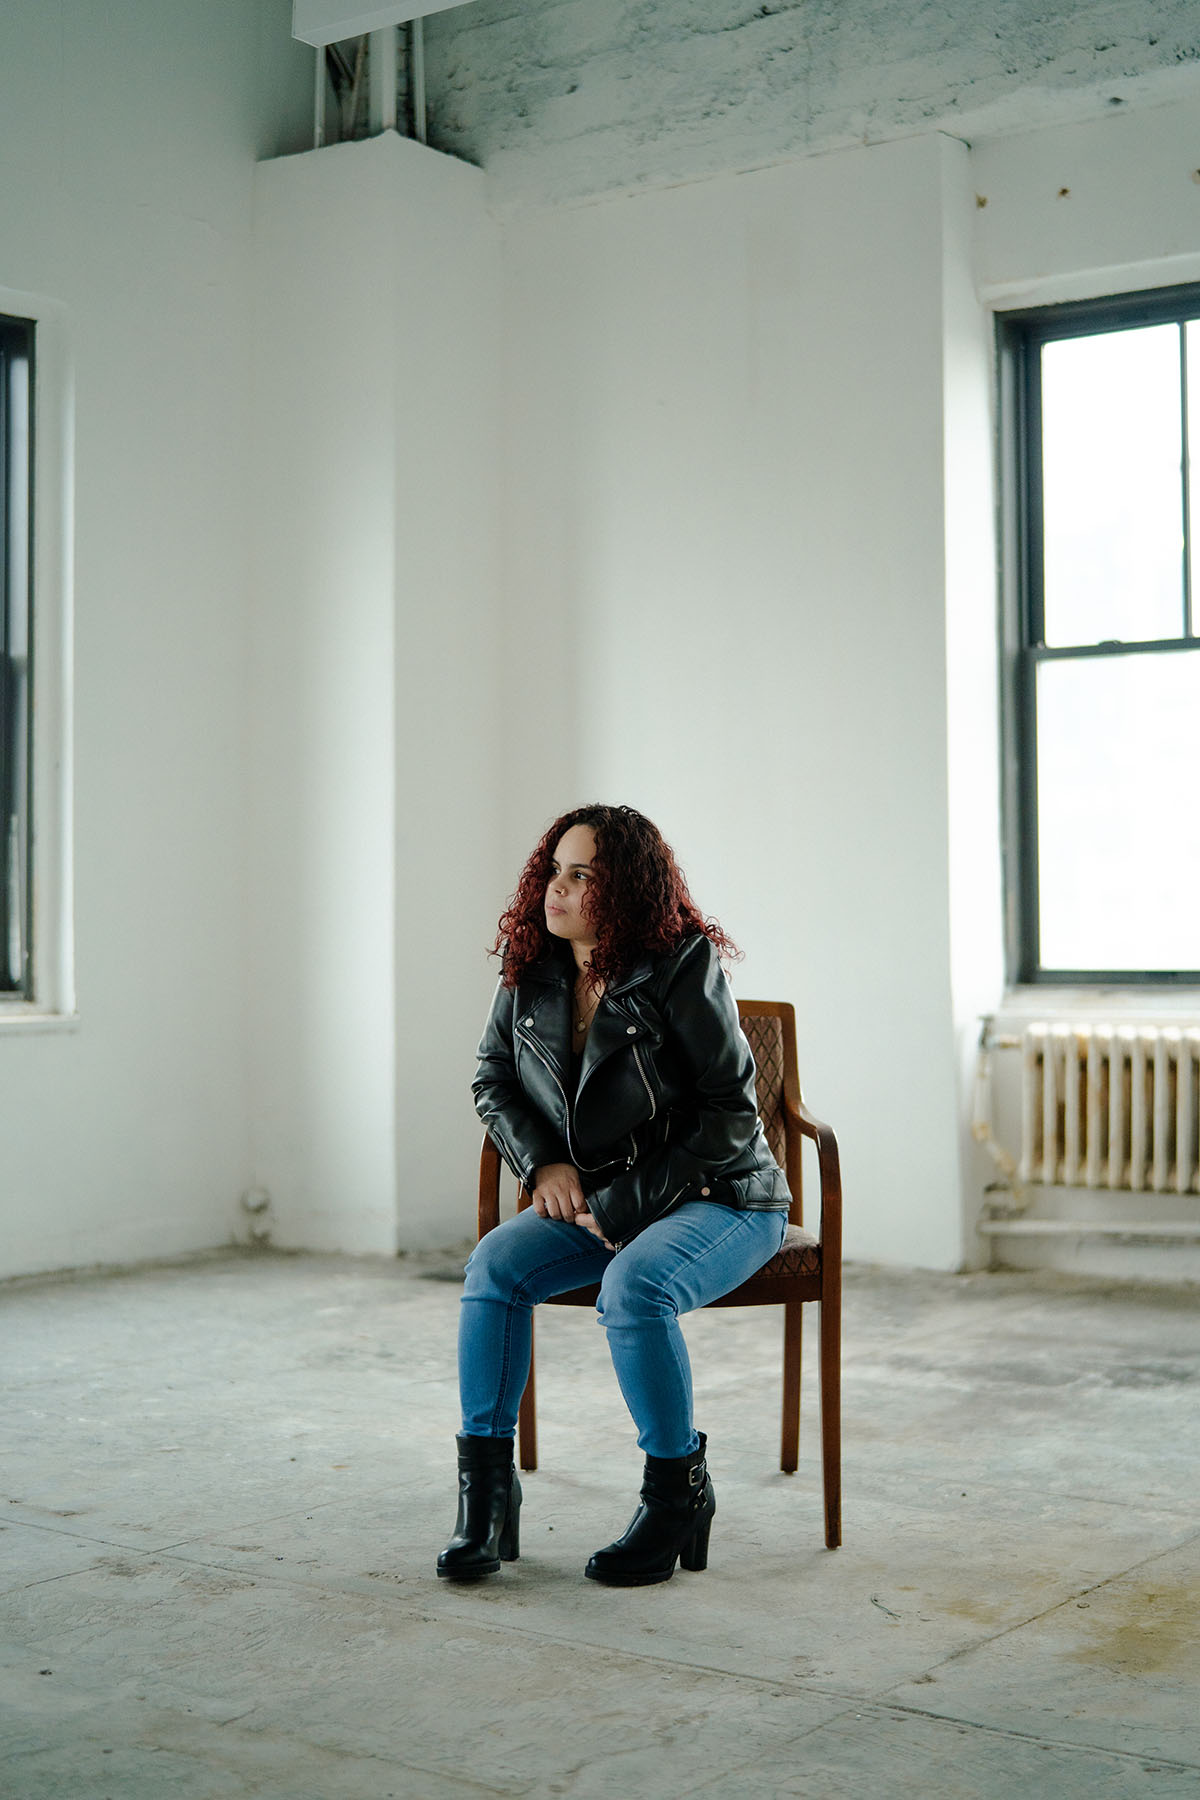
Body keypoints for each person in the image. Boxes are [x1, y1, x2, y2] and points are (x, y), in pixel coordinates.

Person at [437, 804, 791, 1587]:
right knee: (493, 1267)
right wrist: (543, 1164)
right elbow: (492, 1080)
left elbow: (731, 1117)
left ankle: (675, 1493)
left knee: (638, 1285)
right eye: (553, 870)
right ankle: (486, 1500)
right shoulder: (533, 968)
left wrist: (626, 1205)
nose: (554, 890)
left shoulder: (681, 963)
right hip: (596, 1197)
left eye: (580, 875)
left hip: (724, 1195)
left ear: (625, 890)